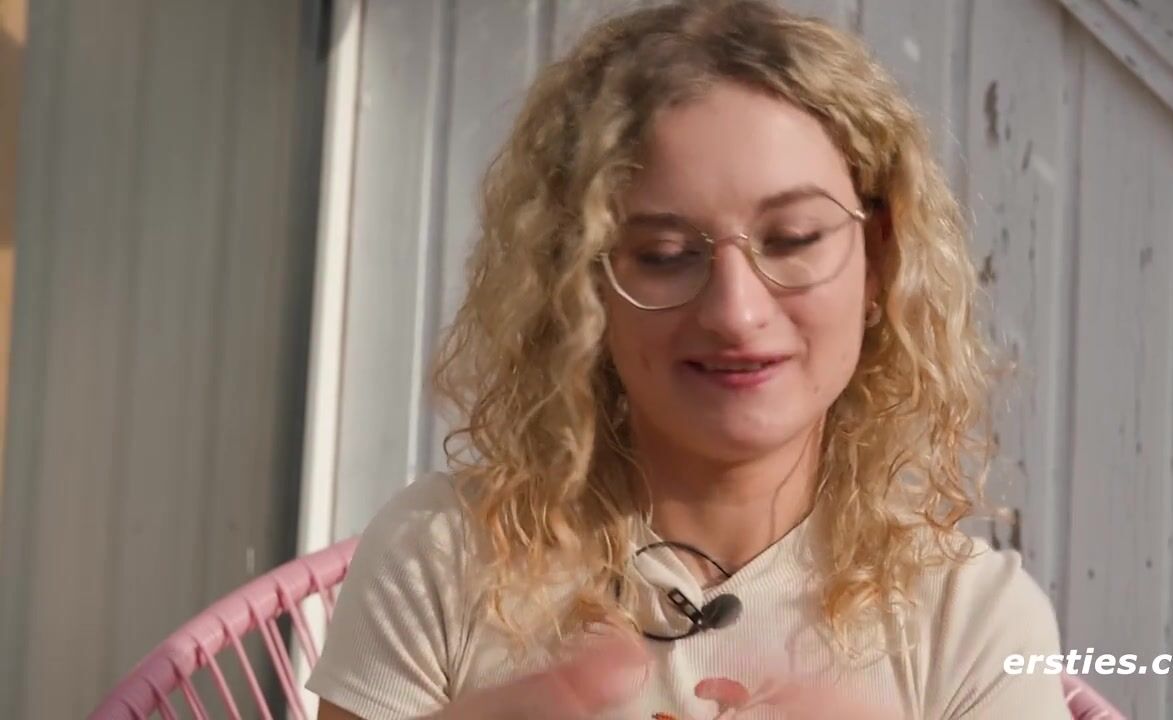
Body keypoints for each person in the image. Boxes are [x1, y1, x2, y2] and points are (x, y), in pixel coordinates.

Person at [307, 1, 1071, 718]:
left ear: (880, 259)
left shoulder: (974, 620)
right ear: (578, 285)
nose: (736, 312)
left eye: (794, 239)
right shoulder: (442, 555)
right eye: (665, 254)